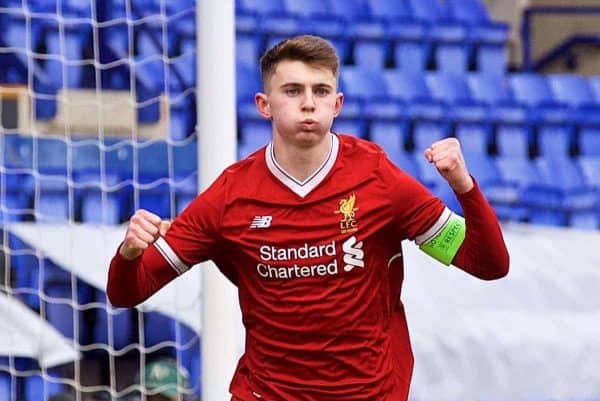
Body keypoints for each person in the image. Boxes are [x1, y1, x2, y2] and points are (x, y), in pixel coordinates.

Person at [107, 35, 509, 401]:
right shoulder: (230, 197)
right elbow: (128, 292)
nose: (308, 103)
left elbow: (488, 264)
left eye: (321, 91)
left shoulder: (379, 179)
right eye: (292, 90)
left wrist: (463, 185)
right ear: (264, 105)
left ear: (337, 104)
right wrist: (128, 254)